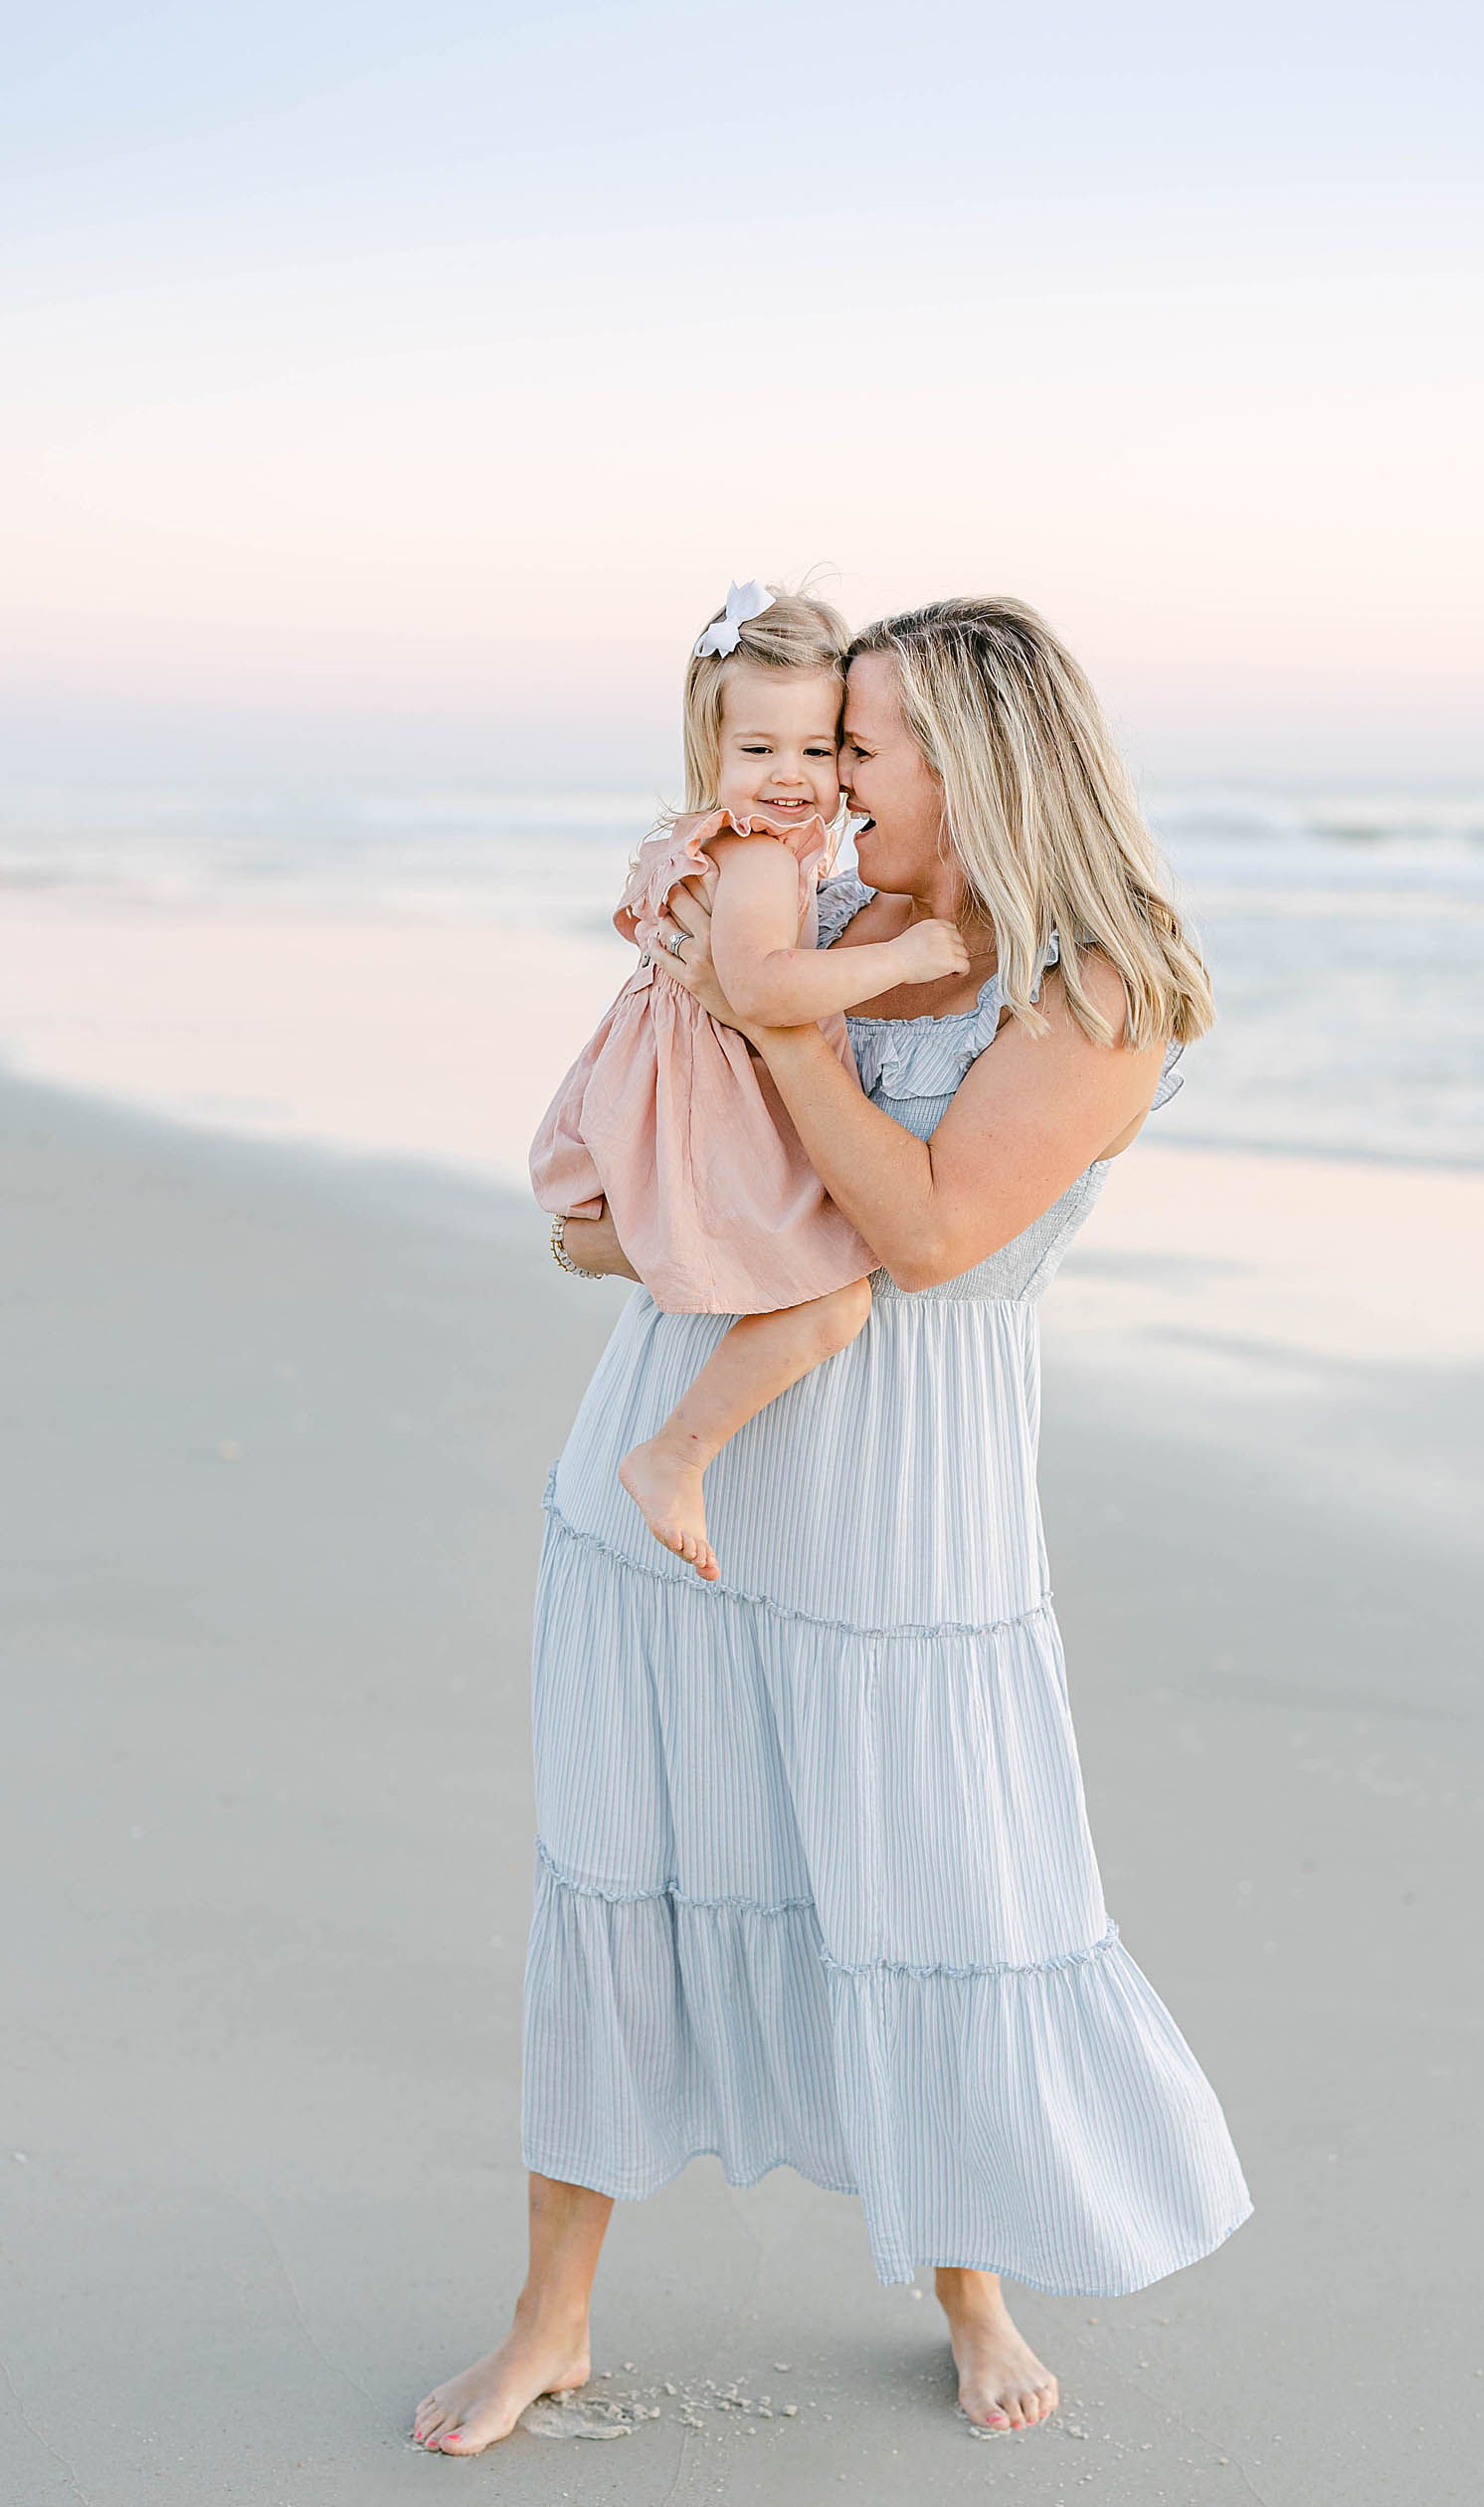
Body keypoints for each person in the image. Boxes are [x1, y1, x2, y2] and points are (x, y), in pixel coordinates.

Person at [414, 596, 1252, 2458]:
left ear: (975, 762)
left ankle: (970, 2283)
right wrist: (654, 1179)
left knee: (933, 1883)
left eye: (861, 744)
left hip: (910, 1501)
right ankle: (551, 2316)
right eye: (817, 741)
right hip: (676, 1443)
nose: (821, 776)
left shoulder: (1096, 984)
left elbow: (934, 1236)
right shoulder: (814, 914)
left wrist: (772, 1031)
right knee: (620, 1872)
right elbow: (632, 1200)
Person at [529, 580, 968, 1579]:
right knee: (835, 1302)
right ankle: (675, 1455)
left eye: (821, 750)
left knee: (823, 1293)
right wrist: (898, 962)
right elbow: (764, 989)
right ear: (710, 748)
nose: (794, 778)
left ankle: (670, 1446)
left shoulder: (709, 840)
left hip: (671, 1093)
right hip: (712, 1106)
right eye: (759, 751)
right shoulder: (765, 859)